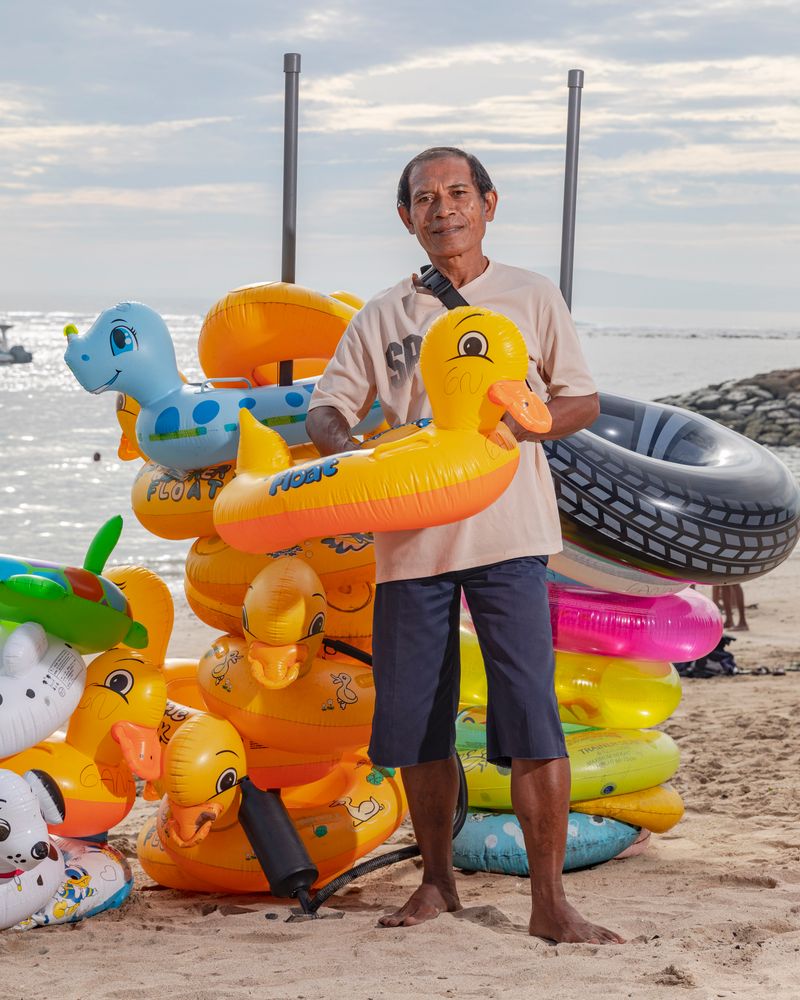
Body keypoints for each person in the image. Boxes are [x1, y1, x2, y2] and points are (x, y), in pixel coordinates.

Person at [306, 147, 624, 945]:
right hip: (410, 544)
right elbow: (327, 408)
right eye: (424, 198)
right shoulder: (383, 314)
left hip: (510, 533)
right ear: (406, 216)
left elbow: (579, 396)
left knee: (531, 715)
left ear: (488, 202)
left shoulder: (530, 295)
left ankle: (549, 901)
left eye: (457, 193)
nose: (442, 208)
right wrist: (344, 450)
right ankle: (437, 883)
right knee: (418, 722)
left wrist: (522, 425)